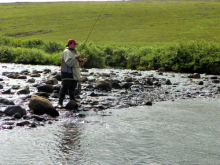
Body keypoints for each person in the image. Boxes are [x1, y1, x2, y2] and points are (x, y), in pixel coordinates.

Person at [57, 39, 87, 108]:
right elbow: (69, 63)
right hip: (67, 73)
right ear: (70, 44)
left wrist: (82, 60)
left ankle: (72, 101)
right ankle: (60, 103)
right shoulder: (67, 51)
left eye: (75, 44)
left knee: (72, 88)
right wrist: (76, 57)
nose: (75, 45)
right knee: (64, 88)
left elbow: (76, 61)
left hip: (74, 73)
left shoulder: (74, 51)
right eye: (74, 44)